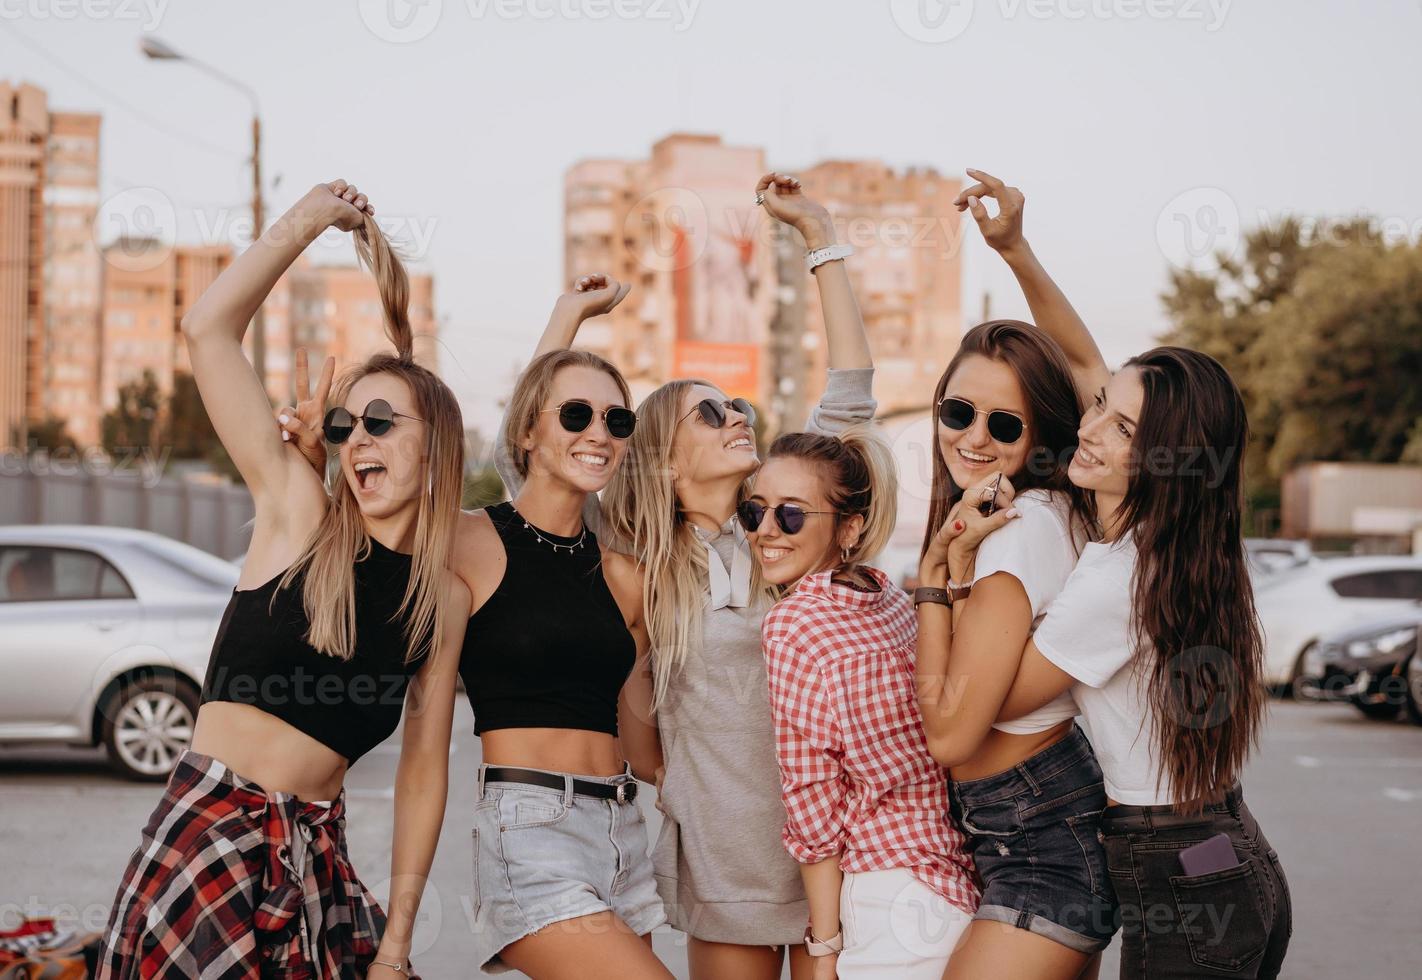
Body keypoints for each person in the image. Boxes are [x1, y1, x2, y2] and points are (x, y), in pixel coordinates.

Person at [501, 172, 878, 980]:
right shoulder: (634, 560)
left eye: (737, 402)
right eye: (710, 413)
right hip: (723, 861)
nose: (737, 415)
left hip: (833, 856)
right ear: (666, 460)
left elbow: (848, 403)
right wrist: (569, 316)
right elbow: (537, 465)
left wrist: (819, 240)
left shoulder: (787, 531)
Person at [97, 180, 470, 979]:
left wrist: (397, 943)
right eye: (344, 423)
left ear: (435, 448)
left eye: (381, 421)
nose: (355, 439)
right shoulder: (300, 514)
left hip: (315, 871)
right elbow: (207, 330)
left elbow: (424, 772)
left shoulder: (442, 600)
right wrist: (312, 217)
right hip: (206, 848)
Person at [945, 169, 1292, 979]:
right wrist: (1016, 251)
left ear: (1163, 459)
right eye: (1099, 405)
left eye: (1120, 424)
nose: (1089, 427)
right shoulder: (1166, 540)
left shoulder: (1117, 582)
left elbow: (990, 700)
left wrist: (953, 579)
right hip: (1224, 854)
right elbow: (1077, 355)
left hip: (1185, 869)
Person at [913, 321, 1117, 978]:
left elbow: (950, 735)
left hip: (1042, 841)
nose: (973, 438)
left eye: (1003, 426)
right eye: (957, 411)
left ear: (1039, 438)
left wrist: (932, 583)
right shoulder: (1053, 511)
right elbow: (1089, 365)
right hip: (1031, 824)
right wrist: (1015, 249)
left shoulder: (1019, 528)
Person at [747, 425, 980, 979]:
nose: (765, 531)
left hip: (886, 897)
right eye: (754, 511)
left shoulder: (793, 622)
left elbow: (813, 801)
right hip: (952, 883)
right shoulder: (892, 601)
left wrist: (824, 947)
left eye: (792, 515)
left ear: (849, 528)